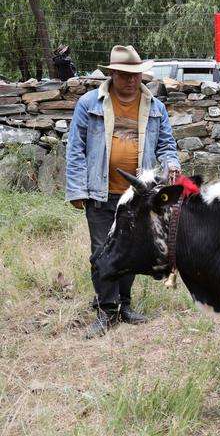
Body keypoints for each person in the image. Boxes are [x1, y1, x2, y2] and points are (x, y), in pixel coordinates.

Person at [65, 45, 180, 338]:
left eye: (135, 75)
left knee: (130, 249)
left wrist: (172, 165)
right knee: (101, 251)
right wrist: (77, 188)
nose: (130, 80)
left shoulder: (155, 107)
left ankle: (124, 305)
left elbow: (167, 146)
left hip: (137, 196)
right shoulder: (90, 103)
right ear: (112, 74)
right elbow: (76, 149)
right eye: (124, 75)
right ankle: (106, 310)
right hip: (99, 192)